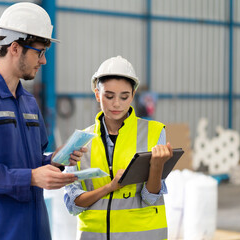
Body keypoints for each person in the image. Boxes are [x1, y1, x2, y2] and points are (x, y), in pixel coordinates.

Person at [0, 3, 85, 240]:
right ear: (14, 47)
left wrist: (54, 159)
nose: (43, 61)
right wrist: (31, 177)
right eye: (39, 52)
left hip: (35, 224)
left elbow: (31, 163)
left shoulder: (29, 103)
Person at [64, 56, 173, 239]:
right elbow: (73, 205)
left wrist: (156, 167)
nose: (117, 104)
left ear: (133, 94)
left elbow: (150, 197)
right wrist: (110, 187)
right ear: (97, 94)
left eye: (124, 96)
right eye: (109, 96)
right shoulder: (80, 141)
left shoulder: (153, 133)